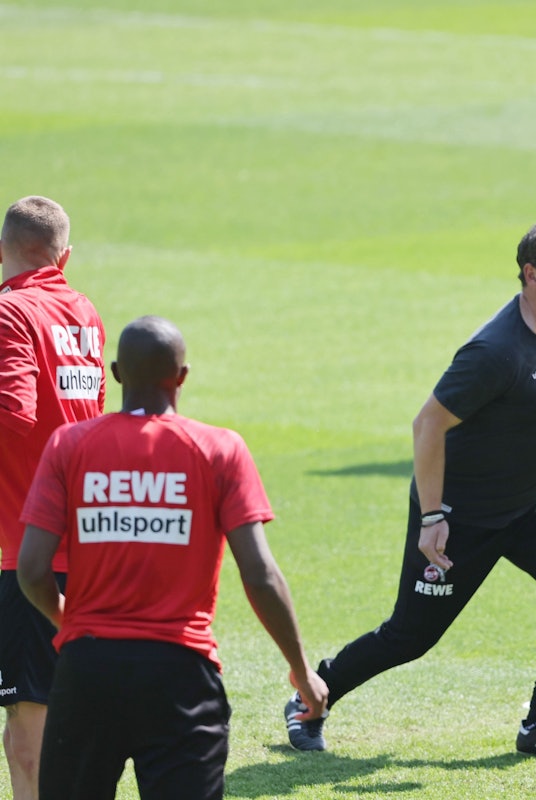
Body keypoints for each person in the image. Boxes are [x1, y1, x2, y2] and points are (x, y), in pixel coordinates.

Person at [284, 213, 536, 761]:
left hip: (532, 500)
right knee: (410, 637)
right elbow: (428, 425)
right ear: (531, 275)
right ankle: (314, 694)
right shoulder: (493, 352)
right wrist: (432, 517)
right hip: (461, 514)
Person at [17, 315, 328, 800]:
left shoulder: (69, 445)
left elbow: (32, 570)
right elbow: (261, 576)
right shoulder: (220, 450)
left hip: (87, 670)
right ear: (181, 376)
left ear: (116, 373)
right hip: (180, 674)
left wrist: (69, 623)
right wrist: (302, 671)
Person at [0, 196, 106, 800]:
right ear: (64, 258)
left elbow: (14, 414)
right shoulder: (82, 311)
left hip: (28, 551)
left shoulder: (11, 313)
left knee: (28, 735)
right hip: (83, 539)